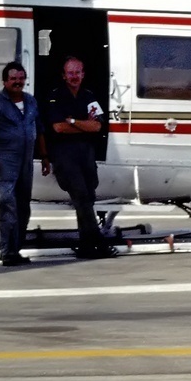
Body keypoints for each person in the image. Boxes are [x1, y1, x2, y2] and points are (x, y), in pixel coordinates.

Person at [0, 61, 50, 266]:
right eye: (13, 79)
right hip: (4, 163)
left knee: (23, 207)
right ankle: (7, 252)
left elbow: (39, 129)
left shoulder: (31, 102)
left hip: (26, 162)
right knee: (6, 204)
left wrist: (44, 157)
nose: (17, 82)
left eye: (21, 78)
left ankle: (15, 250)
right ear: (5, 81)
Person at [46, 56, 113, 259]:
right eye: (70, 73)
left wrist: (73, 121)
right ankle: (99, 243)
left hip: (85, 155)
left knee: (87, 198)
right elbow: (58, 127)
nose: (74, 76)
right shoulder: (56, 96)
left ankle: (86, 245)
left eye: (78, 72)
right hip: (65, 156)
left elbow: (97, 126)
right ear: (64, 76)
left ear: (83, 74)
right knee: (82, 195)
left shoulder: (89, 96)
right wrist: (84, 125)